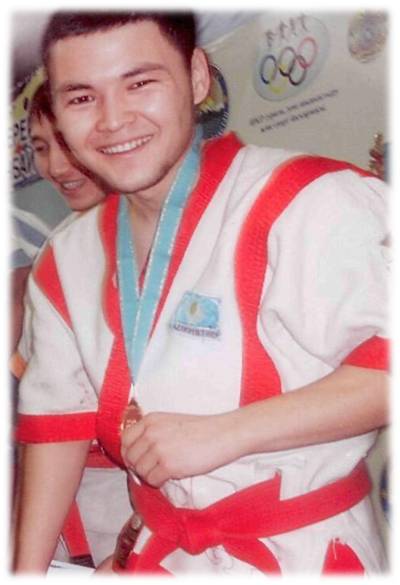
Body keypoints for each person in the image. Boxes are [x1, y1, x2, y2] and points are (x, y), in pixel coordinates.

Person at [13, 11, 389, 575]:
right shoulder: (65, 259)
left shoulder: (310, 200)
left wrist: (229, 433)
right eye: (82, 97)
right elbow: (57, 426)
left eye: (140, 83)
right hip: (161, 553)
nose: (113, 120)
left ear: (195, 76)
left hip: (304, 552)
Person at [12, 82, 132, 568]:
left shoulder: (167, 239)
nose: (57, 167)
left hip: (148, 512)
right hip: (73, 509)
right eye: (42, 148)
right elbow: (43, 424)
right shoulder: (59, 252)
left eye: (65, 142)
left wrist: (135, 547)